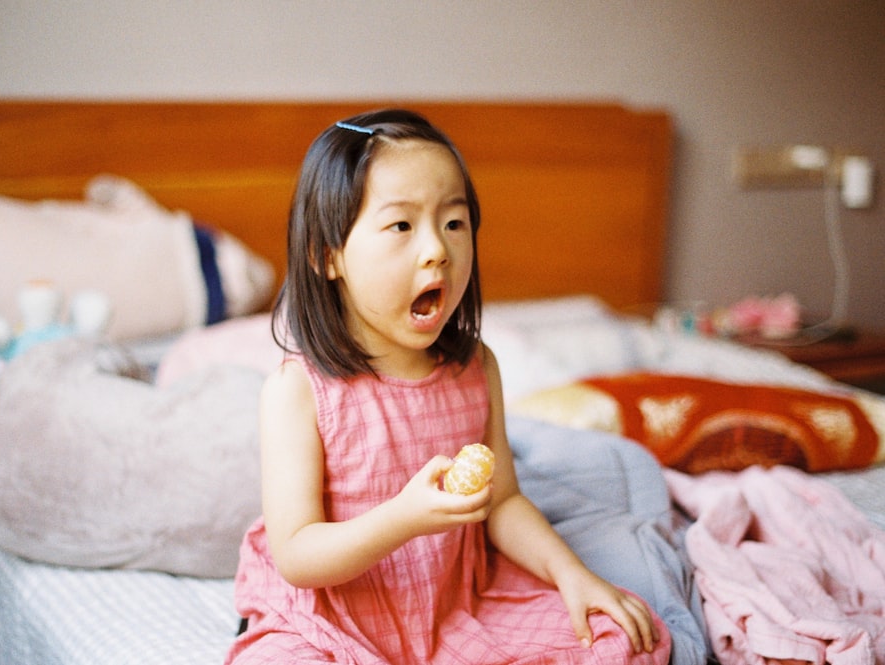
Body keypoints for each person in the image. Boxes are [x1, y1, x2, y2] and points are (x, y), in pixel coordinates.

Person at [225, 109, 671, 664]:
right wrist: (403, 518)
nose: (438, 249)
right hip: (331, 619)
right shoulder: (299, 391)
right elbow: (296, 555)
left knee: (624, 636)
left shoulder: (475, 368)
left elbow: (503, 502)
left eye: (454, 223)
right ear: (328, 255)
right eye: (402, 226)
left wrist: (574, 577)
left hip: (454, 608)